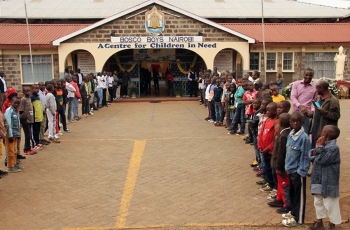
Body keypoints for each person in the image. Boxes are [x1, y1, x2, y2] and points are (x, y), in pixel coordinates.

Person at [308, 125, 341, 230]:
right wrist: (316, 150)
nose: (320, 133)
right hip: (318, 179)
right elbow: (313, 156)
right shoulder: (322, 145)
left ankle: (332, 224)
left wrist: (319, 148)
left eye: (322, 131)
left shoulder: (334, 148)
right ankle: (319, 223)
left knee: (331, 203)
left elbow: (322, 160)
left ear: (325, 134)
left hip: (329, 182)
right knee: (318, 201)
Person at [282, 111, 311, 227]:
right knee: (293, 193)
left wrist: (301, 172)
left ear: (303, 123)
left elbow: (305, 156)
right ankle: (293, 213)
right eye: (293, 121)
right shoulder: (290, 134)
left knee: (300, 197)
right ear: (290, 122)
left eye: (298, 121)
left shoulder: (304, 138)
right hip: (290, 170)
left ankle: (299, 219)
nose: (295, 123)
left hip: (298, 172)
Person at [269, 113, 291, 214]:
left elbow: (281, 152)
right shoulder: (282, 133)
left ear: (280, 122)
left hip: (281, 165)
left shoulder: (284, 136)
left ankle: (286, 204)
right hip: (278, 163)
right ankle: (279, 199)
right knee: (280, 184)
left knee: (284, 185)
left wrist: (278, 166)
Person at [310, 80, 340, 148]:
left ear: (322, 88)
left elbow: (336, 116)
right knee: (314, 151)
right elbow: (317, 112)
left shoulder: (333, 101)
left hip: (324, 134)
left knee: (322, 152)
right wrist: (310, 114)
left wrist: (323, 111)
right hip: (315, 130)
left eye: (317, 88)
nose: (316, 90)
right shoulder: (318, 98)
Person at [258, 102, 278, 192]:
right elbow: (261, 133)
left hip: (270, 151)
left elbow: (275, 139)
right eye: (266, 110)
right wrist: (260, 145)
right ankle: (269, 183)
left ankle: (274, 185)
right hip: (264, 149)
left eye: (269, 110)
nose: (267, 112)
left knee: (271, 169)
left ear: (275, 111)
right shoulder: (267, 120)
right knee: (266, 167)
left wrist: (268, 148)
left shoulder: (276, 122)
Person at [290, 68, 317, 134]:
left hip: (306, 114)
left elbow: (316, 101)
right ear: (303, 75)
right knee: (294, 132)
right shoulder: (296, 84)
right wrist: (300, 106)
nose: (308, 77)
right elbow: (293, 97)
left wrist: (312, 111)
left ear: (312, 76)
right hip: (295, 112)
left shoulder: (315, 87)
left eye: (310, 75)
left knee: (305, 133)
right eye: (306, 75)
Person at [4, 96, 22, 172]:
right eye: (14, 103)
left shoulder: (16, 111)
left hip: (15, 134)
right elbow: (8, 124)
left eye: (18, 103)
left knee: (14, 150)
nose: (16, 104)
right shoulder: (9, 111)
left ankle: (14, 164)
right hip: (10, 135)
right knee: (10, 151)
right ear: (11, 102)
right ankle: (10, 166)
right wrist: (10, 135)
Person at [19, 87, 36, 155]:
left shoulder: (29, 99)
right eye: (26, 91)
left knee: (30, 134)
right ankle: (26, 149)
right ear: (23, 92)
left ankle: (29, 147)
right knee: (27, 135)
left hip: (30, 119)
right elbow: (21, 111)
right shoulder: (23, 100)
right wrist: (23, 121)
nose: (28, 92)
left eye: (29, 91)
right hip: (26, 121)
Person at [30, 84, 44, 150]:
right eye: (35, 88)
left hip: (39, 116)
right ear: (32, 89)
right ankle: (35, 143)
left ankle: (37, 142)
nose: (37, 90)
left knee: (38, 130)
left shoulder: (37, 96)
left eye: (38, 88)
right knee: (35, 130)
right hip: (34, 117)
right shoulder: (32, 97)